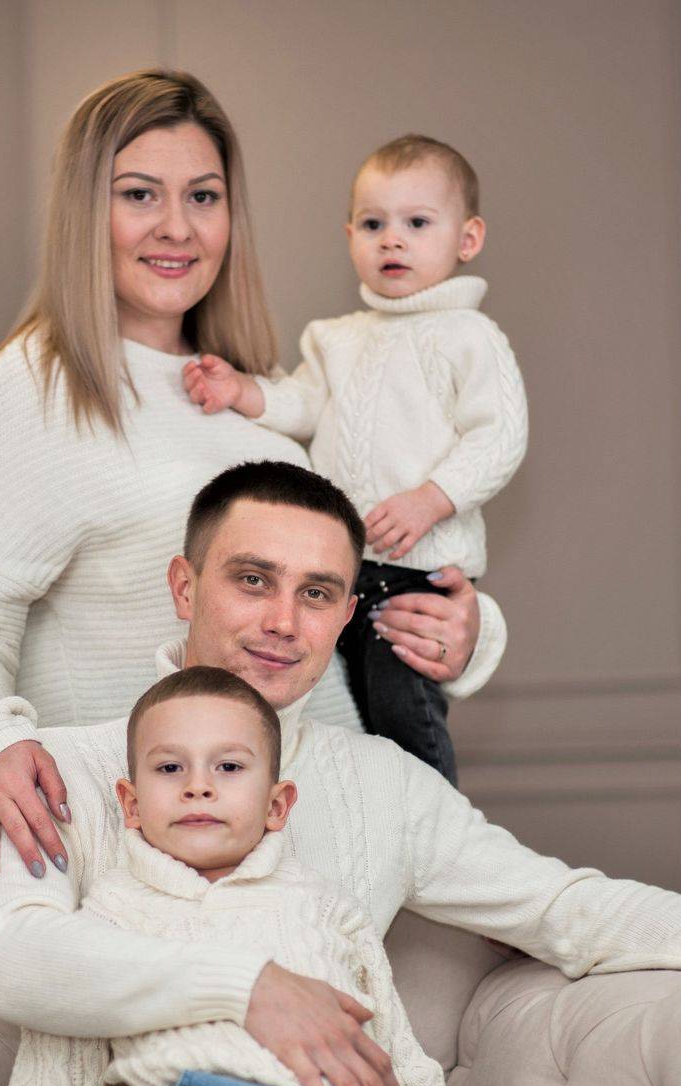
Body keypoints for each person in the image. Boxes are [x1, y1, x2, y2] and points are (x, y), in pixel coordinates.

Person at [0, 462, 681, 1086]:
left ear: (344, 615)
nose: (283, 621)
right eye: (252, 580)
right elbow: (16, 961)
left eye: (317, 593)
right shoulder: (58, 767)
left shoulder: (384, 783)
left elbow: (561, 906)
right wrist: (250, 987)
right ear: (184, 586)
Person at [0, 71, 509, 889]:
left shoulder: (257, 391)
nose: (178, 228)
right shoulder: (31, 393)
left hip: (329, 844)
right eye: (139, 195)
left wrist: (468, 634)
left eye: (203, 197)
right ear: (85, 211)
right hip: (157, 866)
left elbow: (336, 594)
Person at [0, 666, 497, 1086]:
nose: (198, 787)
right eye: (169, 767)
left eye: (229, 766)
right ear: (132, 804)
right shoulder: (110, 915)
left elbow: (398, 1058)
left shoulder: (326, 909)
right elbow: (52, 1084)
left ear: (277, 805)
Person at [182, 134, 526, 784]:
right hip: (336, 573)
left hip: (418, 575)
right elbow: (303, 404)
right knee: (331, 719)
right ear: (350, 237)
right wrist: (243, 392)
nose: (392, 240)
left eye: (417, 223)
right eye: (373, 225)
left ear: (467, 238)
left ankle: (432, 827)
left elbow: (499, 436)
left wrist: (431, 499)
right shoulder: (336, 339)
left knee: (403, 716)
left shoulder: (469, 336)